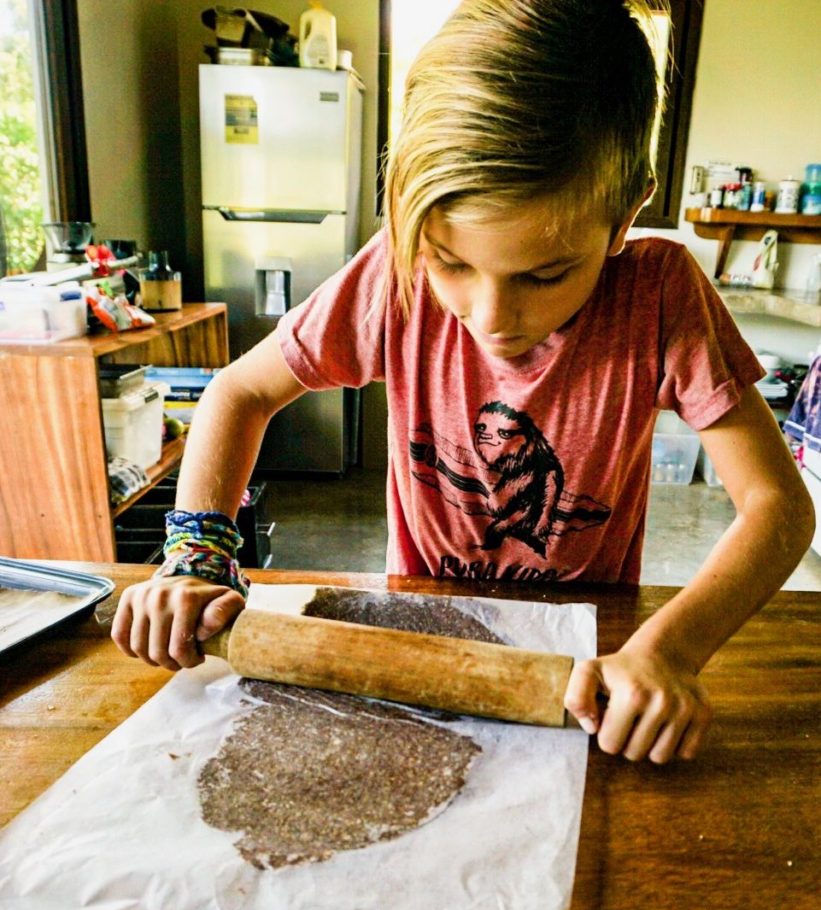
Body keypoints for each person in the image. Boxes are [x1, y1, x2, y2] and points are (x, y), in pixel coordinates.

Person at [112, 0, 815, 764]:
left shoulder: (660, 295)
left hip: (589, 653)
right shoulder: (391, 274)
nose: (491, 315)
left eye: (545, 274)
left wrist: (670, 651)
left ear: (623, 215)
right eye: (450, 263)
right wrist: (196, 559)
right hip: (420, 638)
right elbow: (238, 392)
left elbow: (777, 507)